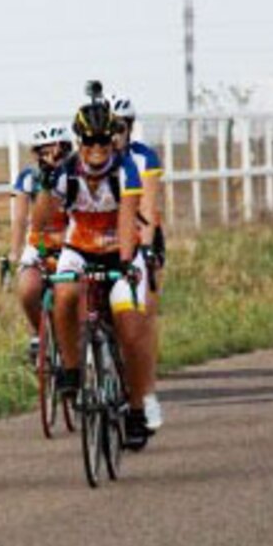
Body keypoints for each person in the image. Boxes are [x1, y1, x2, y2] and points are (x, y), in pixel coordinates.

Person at [31, 83, 157, 450]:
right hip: (80, 247)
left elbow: (127, 221)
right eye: (90, 143)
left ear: (113, 142)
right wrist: (44, 183)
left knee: (131, 328)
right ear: (80, 143)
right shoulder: (66, 173)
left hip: (121, 249)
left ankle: (135, 410)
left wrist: (123, 266)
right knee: (65, 293)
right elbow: (41, 222)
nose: (97, 150)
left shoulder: (126, 171)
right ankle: (71, 370)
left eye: (104, 142)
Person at [110, 93, 169, 432]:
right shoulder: (90, 160)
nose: (114, 135)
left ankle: (146, 395)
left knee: (142, 311)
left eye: (121, 128)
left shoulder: (142, 158)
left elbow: (146, 206)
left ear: (130, 128)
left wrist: (144, 249)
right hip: (101, 242)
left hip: (141, 235)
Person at [6, 125, 73, 362]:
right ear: (36, 154)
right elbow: (20, 219)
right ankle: (40, 331)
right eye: (44, 152)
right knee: (28, 289)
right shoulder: (28, 177)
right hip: (40, 244)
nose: (51, 157)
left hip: (72, 242)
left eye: (57, 151)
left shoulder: (76, 174)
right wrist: (14, 253)